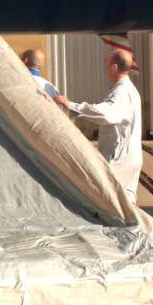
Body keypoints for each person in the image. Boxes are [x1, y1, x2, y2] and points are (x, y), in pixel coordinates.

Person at [55, 49, 142, 204]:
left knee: (111, 199)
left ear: (114, 67)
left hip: (119, 156)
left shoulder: (122, 92)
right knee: (126, 200)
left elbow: (107, 114)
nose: (103, 62)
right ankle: (136, 226)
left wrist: (71, 105)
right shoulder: (126, 89)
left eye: (106, 60)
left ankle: (132, 226)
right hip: (126, 153)